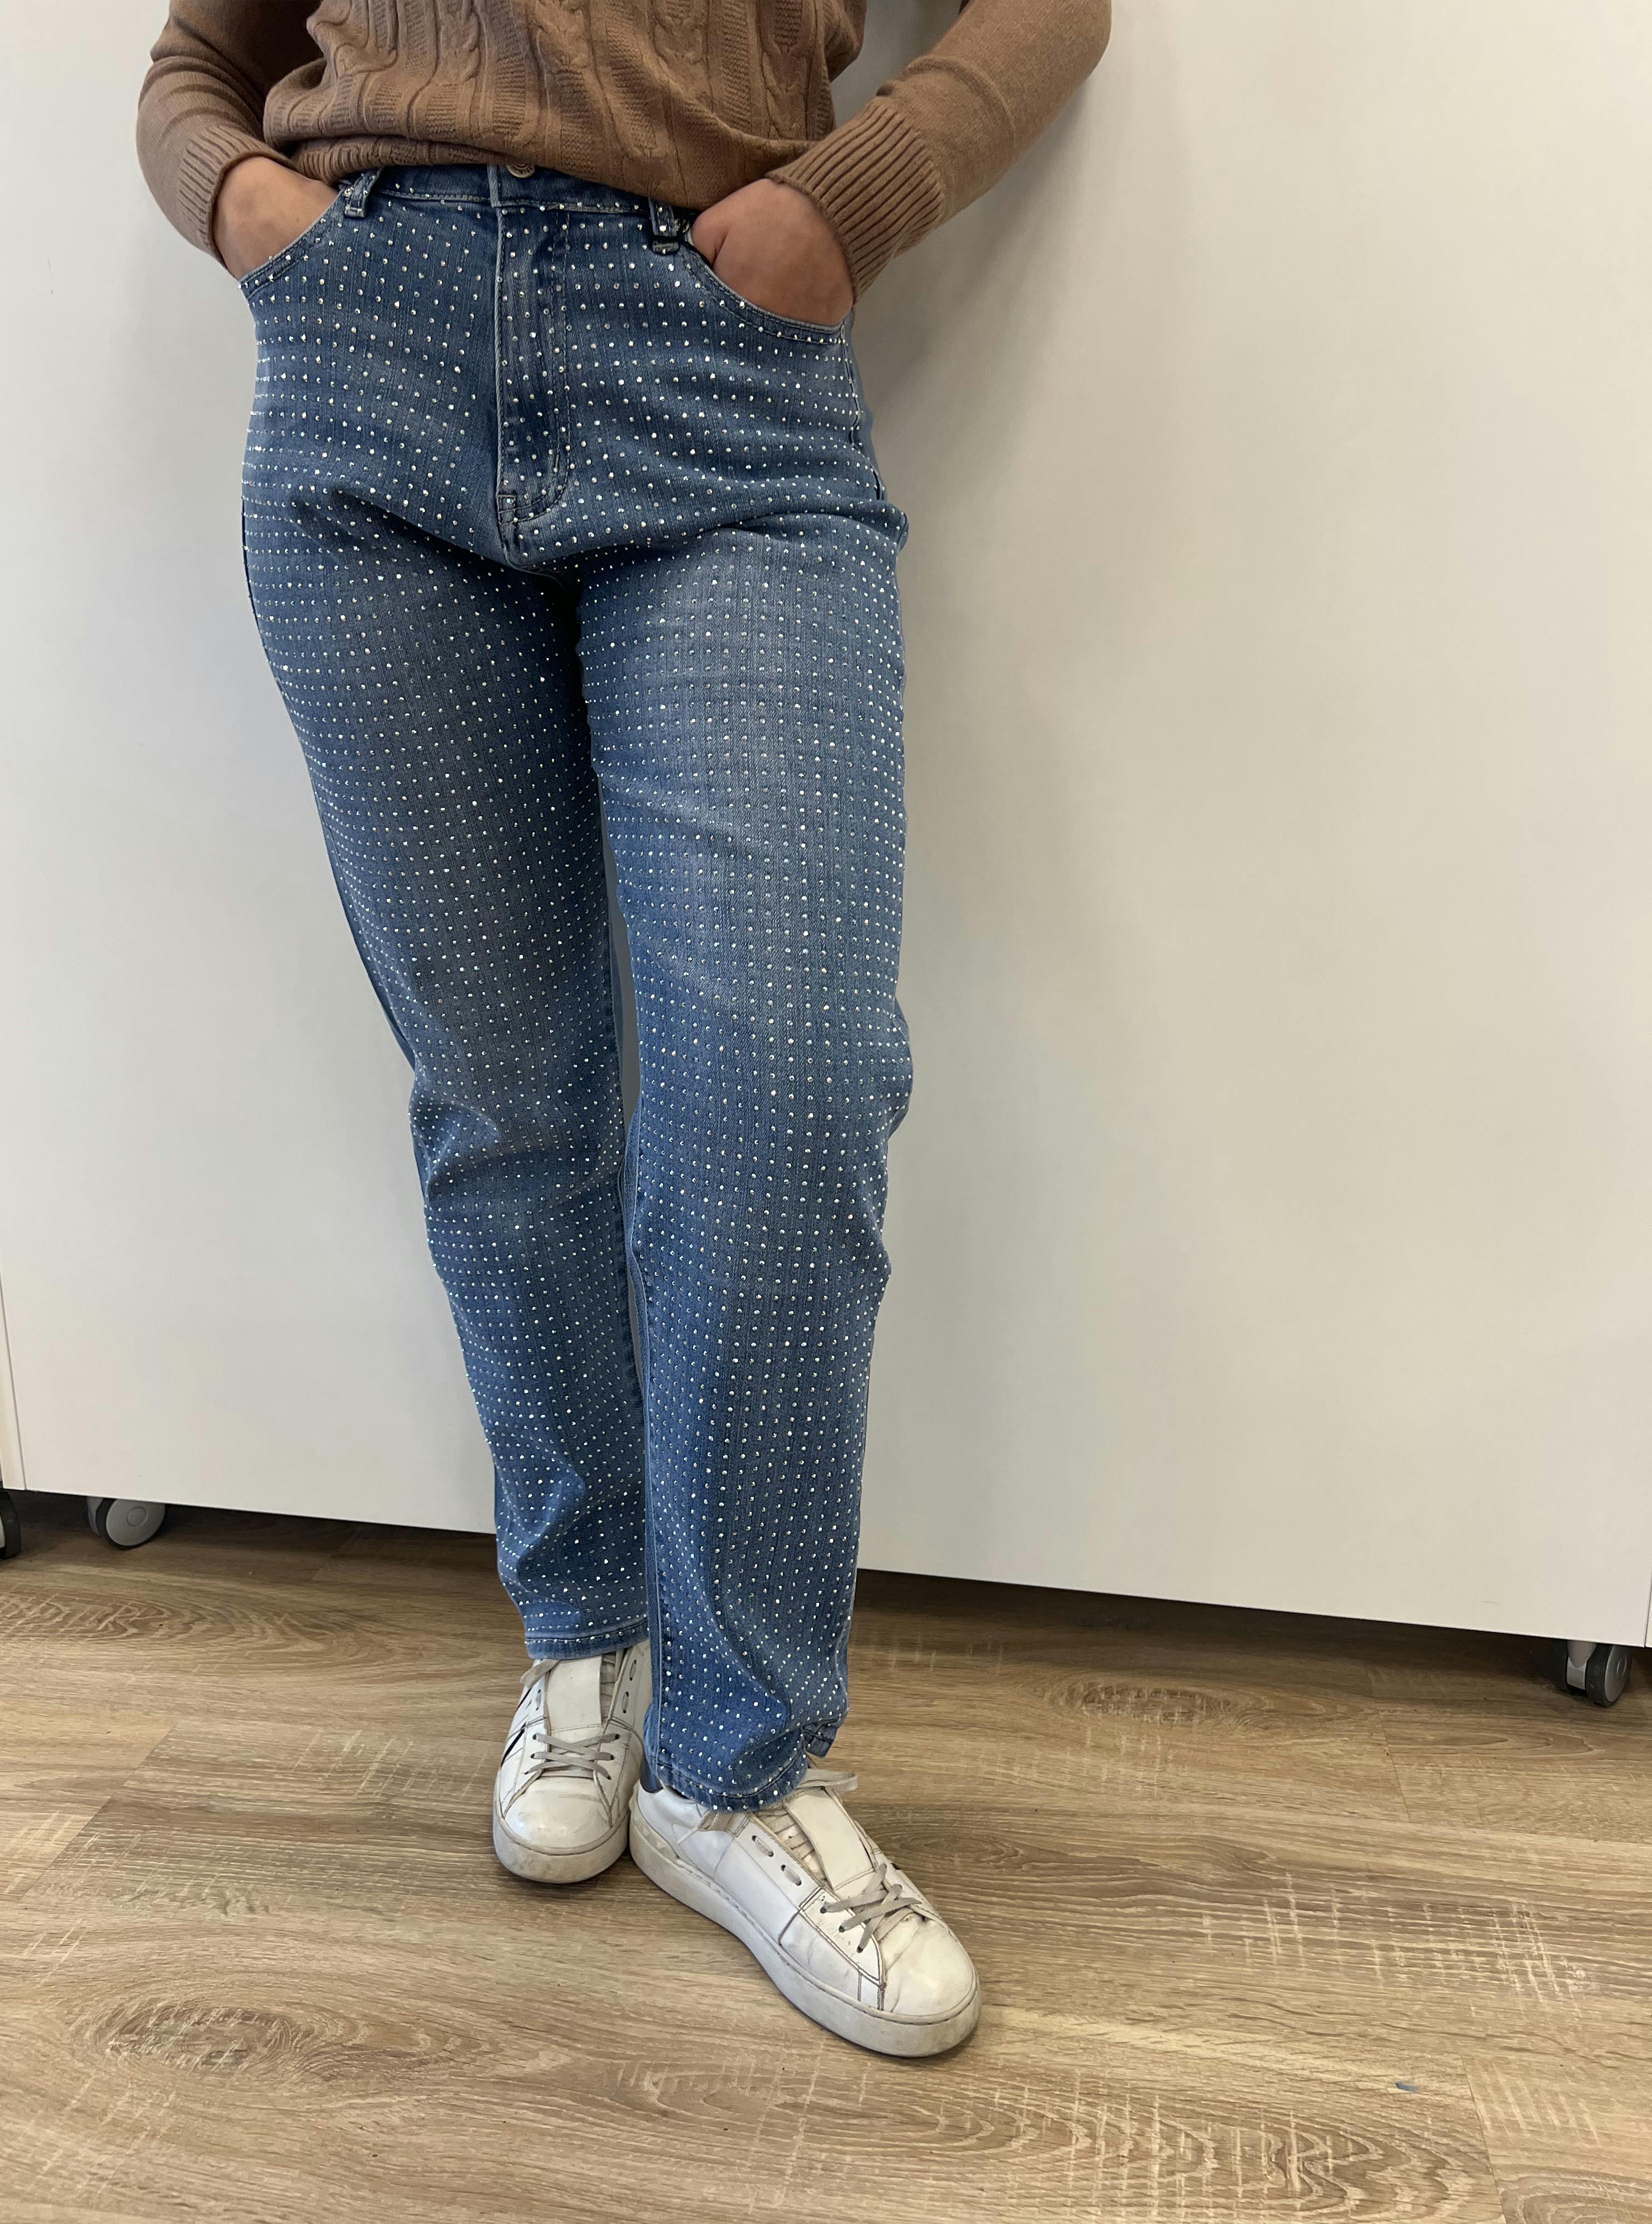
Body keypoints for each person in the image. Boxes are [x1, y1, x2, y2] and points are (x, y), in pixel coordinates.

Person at [137, 0, 1109, 2059]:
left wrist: (850, 201)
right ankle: (585, 1636)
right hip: (365, 377)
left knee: (787, 1093)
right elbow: (192, 62)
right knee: (507, 1097)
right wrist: (247, 211)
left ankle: (732, 1768)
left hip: (719, 379)